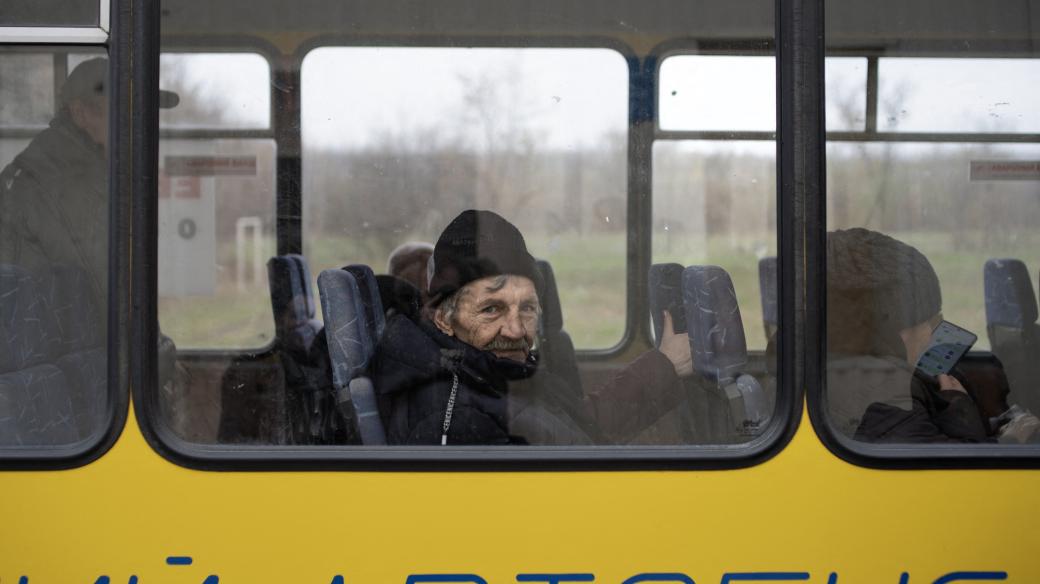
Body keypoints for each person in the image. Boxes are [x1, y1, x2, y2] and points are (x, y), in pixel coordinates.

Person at [370, 209, 699, 445]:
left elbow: (577, 428)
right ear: (444, 317)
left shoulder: (495, 373)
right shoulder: (455, 415)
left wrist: (664, 367)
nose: (515, 330)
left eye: (527, 308)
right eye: (491, 309)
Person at [826, 228, 994, 443]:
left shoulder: (829, 372)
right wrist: (960, 408)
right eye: (932, 322)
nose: (934, 334)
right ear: (892, 328)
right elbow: (960, 471)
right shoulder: (890, 397)